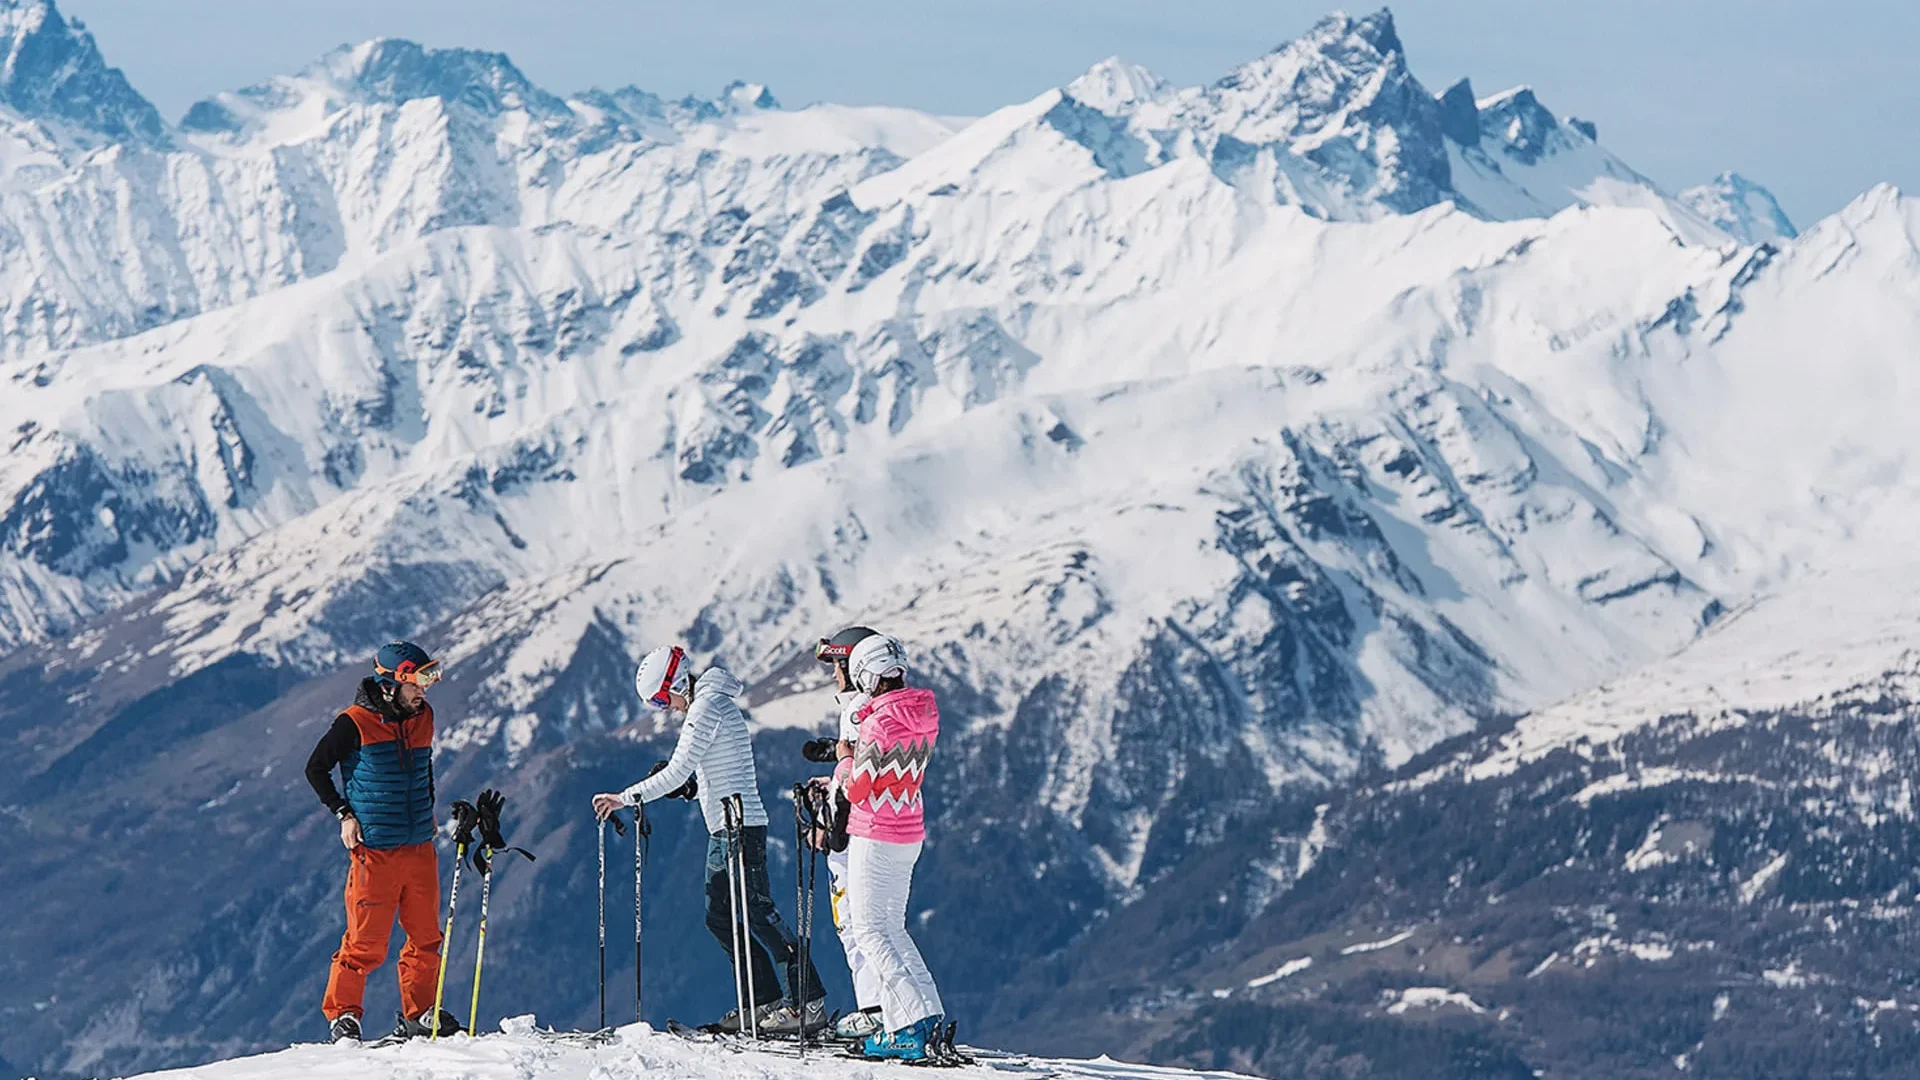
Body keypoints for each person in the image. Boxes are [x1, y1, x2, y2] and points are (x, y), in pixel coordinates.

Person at [592, 646, 827, 1034]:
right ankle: (763, 1001)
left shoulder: (708, 707)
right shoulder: (706, 706)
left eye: (661, 698)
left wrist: (624, 798)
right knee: (718, 915)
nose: (663, 707)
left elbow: (678, 768)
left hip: (742, 827)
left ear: (676, 682)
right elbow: (711, 768)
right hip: (723, 828)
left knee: (759, 914)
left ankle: (807, 1003)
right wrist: (692, 790)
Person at [304, 641, 462, 1043]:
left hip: (419, 846)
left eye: (429, 678)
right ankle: (343, 1015)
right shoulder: (353, 723)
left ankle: (420, 1012)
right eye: (418, 681)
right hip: (375, 849)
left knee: (426, 937)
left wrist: (428, 810)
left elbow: (422, 769)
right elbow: (316, 768)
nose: (425, 689)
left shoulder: (423, 716)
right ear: (391, 683)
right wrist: (343, 814)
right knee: (364, 943)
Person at [833, 633, 946, 1061]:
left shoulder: (878, 723)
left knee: (868, 930)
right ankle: (929, 1017)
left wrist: (845, 758)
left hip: (875, 830)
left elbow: (860, 788)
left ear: (865, 674)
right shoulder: (923, 712)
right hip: (908, 828)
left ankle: (909, 1027)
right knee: (893, 929)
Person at [805, 626, 887, 1042]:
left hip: (853, 833)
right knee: (876, 923)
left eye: (836, 664)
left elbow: (854, 773)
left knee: (854, 926)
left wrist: (826, 826)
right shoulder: (877, 705)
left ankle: (873, 1013)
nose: (834, 674)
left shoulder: (856, 709)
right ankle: (883, 1010)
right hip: (880, 827)